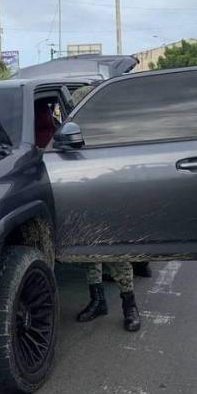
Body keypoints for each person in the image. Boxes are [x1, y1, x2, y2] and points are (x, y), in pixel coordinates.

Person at [71, 84, 141, 331]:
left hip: (111, 196)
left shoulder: (113, 131)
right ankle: (97, 301)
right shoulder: (74, 132)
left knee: (116, 253)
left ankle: (129, 306)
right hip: (85, 196)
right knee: (88, 253)